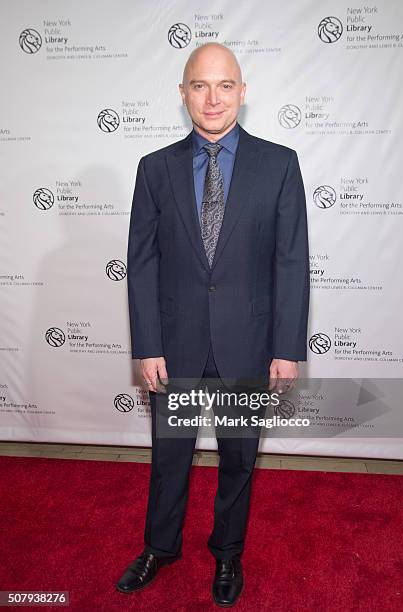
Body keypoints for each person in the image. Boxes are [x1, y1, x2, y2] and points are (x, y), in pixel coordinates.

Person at [116, 42, 310, 607]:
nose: (213, 98)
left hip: (248, 344)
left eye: (225, 85)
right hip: (174, 346)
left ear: (243, 93)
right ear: (183, 94)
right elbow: (142, 262)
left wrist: (286, 347)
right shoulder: (154, 170)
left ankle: (227, 554)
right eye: (200, 85)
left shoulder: (280, 164)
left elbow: (291, 262)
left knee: (238, 458)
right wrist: (147, 343)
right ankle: (159, 547)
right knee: (168, 455)